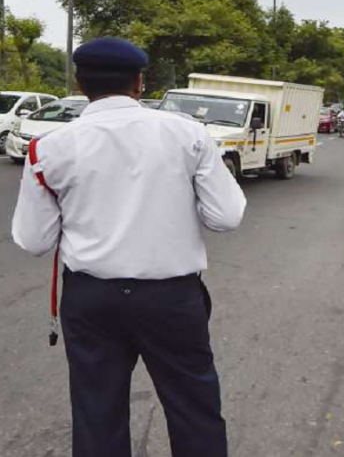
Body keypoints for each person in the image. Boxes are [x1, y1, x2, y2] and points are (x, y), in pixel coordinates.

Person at [12, 37, 246, 457]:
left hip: (92, 300)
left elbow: (34, 240)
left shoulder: (48, 147)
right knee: (193, 407)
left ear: (80, 84)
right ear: (139, 82)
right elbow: (225, 217)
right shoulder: (188, 135)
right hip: (171, 298)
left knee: (97, 411)